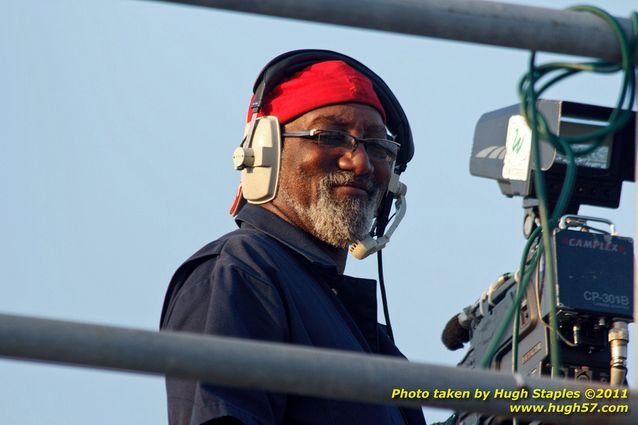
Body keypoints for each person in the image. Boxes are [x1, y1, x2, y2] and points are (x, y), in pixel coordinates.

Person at [160, 50, 426, 425]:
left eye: (378, 146)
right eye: (331, 136)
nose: (360, 162)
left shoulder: (363, 336)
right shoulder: (240, 271)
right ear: (265, 153)